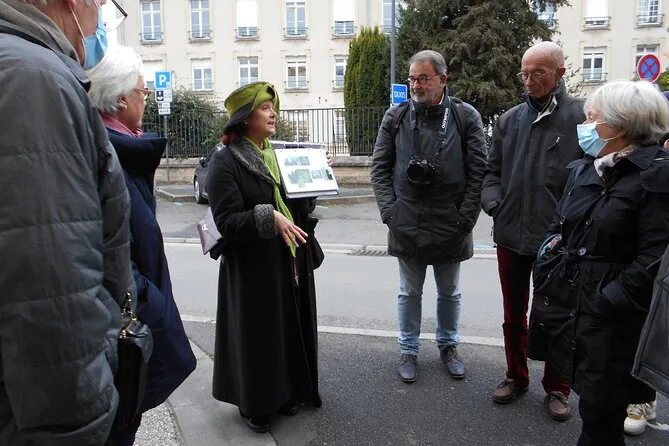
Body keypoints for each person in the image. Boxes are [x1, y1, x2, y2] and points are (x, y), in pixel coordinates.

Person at [0, 0, 135, 444]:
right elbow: (50, 293)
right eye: (100, 4)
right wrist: (81, 422)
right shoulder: (34, 78)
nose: (100, 20)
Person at [528, 80, 669, 446]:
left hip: (616, 321)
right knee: (592, 408)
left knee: (601, 417)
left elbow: (655, 257)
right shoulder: (587, 168)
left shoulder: (657, 176)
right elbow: (559, 226)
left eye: (593, 117)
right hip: (578, 310)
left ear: (622, 125)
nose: (585, 124)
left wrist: (608, 298)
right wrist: (548, 261)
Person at [86, 45, 197, 445]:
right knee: (121, 423)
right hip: (123, 323)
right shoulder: (109, 154)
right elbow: (113, 254)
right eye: (142, 91)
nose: (145, 99)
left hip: (127, 315)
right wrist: (154, 309)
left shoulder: (121, 147)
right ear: (121, 99)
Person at [207, 81, 323, 433]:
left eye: (273, 107)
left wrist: (315, 177)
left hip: (286, 260)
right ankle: (254, 403)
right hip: (251, 267)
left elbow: (299, 206)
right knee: (258, 335)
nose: (273, 114)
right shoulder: (225, 160)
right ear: (245, 118)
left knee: (284, 328)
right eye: (264, 108)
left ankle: (286, 392)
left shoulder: (279, 155)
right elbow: (227, 221)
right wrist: (267, 215)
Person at [480, 41, 584, 421]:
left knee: (557, 315)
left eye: (537, 73)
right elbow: (491, 173)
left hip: (558, 241)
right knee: (513, 314)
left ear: (559, 73)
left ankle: (557, 388)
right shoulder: (509, 121)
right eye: (524, 73)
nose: (528, 81)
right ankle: (516, 376)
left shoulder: (582, 117)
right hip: (510, 235)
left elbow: (591, 175)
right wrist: (495, 204)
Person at [371, 50, 487, 383]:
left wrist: (465, 219)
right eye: (412, 79)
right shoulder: (395, 117)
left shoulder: (464, 116)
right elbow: (379, 169)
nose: (416, 85)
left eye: (423, 78)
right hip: (406, 220)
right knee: (409, 292)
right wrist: (390, 213)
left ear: (442, 79)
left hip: (451, 223)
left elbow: (479, 172)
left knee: (449, 292)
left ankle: (449, 346)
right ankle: (408, 350)